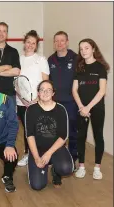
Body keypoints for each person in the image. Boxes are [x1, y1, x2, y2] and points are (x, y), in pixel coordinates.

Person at [25, 80, 73, 190]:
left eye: (49, 90)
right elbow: (30, 135)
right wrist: (37, 157)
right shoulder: (31, 110)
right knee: (37, 186)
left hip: (56, 149)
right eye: (42, 90)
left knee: (66, 168)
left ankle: (56, 171)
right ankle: (38, 165)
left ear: (53, 93)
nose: (45, 92)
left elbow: (63, 136)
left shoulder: (61, 109)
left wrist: (48, 154)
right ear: (38, 93)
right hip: (38, 150)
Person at [72, 38, 109, 180]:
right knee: (81, 136)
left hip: (97, 108)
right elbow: (75, 90)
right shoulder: (79, 67)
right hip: (81, 108)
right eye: (81, 49)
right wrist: (82, 107)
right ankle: (81, 166)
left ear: (93, 49)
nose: (83, 51)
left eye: (86, 48)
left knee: (98, 136)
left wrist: (88, 107)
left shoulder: (100, 68)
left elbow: (102, 91)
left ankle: (97, 168)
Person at [16, 30, 50, 167]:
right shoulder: (18, 59)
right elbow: (15, 82)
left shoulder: (41, 60)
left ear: (36, 46)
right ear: (24, 43)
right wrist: (23, 99)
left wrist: (36, 100)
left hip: (38, 102)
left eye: (33, 43)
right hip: (21, 102)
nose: (30, 45)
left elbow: (45, 83)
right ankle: (28, 154)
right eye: (28, 42)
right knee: (27, 130)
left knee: (39, 130)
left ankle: (44, 154)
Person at [48, 31, 78, 165]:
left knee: (72, 132)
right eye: (56, 41)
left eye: (62, 40)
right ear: (54, 43)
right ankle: (56, 158)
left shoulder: (76, 58)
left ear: (67, 42)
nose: (59, 43)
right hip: (55, 103)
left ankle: (72, 158)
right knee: (55, 132)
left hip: (72, 102)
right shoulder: (50, 60)